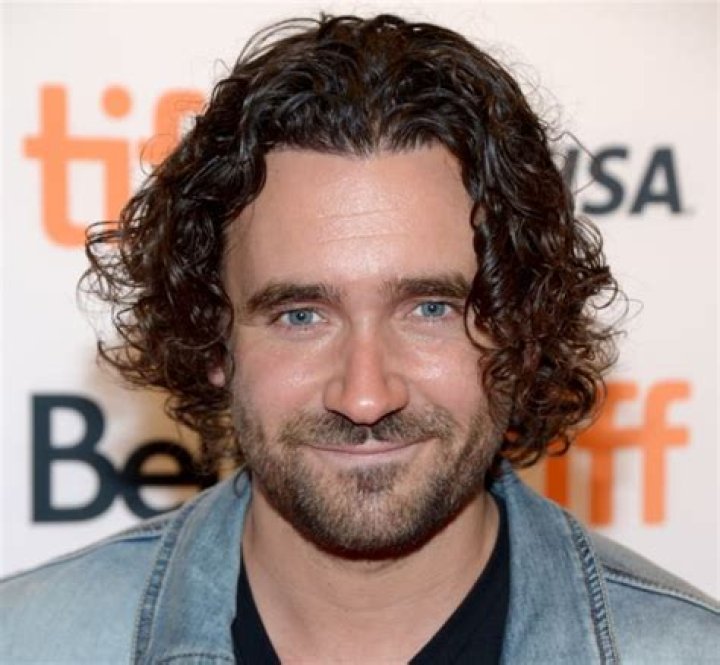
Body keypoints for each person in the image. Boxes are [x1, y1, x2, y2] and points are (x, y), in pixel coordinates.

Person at [1, 13, 717, 664]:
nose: (366, 396)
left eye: (430, 309)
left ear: (522, 326)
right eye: (301, 315)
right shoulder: (27, 642)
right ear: (212, 340)